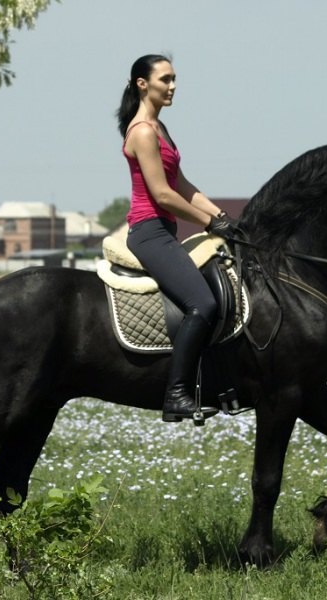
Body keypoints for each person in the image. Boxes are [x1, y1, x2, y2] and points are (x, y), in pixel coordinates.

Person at [116, 54, 240, 423]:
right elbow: (163, 195)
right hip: (148, 231)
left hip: (165, 229)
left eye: (174, 80)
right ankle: (176, 394)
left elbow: (182, 185)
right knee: (202, 303)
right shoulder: (141, 131)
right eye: (165, 79)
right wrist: (208, 223)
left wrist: (221, 217)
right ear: (143, 84)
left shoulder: (160, 128)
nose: (172, 87)